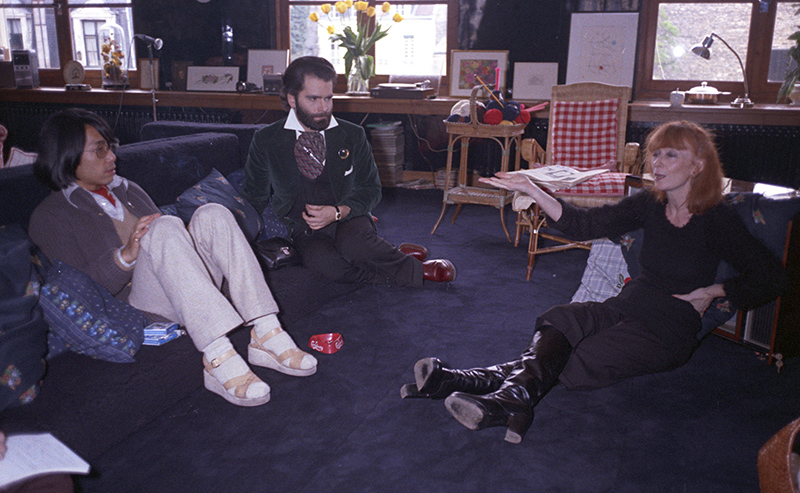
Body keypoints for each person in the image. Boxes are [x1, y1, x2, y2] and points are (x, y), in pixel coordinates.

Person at [401, 120, 788, 443]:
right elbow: (583, 224)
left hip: (669, 326)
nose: (657, 162)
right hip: (628, 303)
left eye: (671, 154)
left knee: (575, 359)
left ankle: (466, 383)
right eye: (655, 153)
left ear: (698, 165)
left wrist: (713, 292)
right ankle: (505, 400)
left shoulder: (717, 218)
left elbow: (771, 276)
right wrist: (534, 190)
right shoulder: (649, 203)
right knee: (562, 319)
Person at [28, 108, 317, 408]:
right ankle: (218, 357)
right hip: (139, 309)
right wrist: (126, 256)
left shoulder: (128, 189)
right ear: (67, 155)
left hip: (183, 294)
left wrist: (191, 242)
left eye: (110, 147)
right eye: (99, 150)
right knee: (163, 226)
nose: (112, 157)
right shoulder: (50, 216)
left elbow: (166, 249)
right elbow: (79, 295)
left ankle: (266, 332)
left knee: (213, 213)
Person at [242, 56, 455, 286]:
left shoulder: (352, 134)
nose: (323, 107)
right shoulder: (266, 139)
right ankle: (390, 255)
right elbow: (254, 196)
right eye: (313, 99)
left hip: (349, 217)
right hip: (304, 229)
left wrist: (338, 212)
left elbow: (371, 189)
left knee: (355, 246)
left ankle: (417, 269)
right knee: (329, 267)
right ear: (292, 99)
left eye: (328, 98)